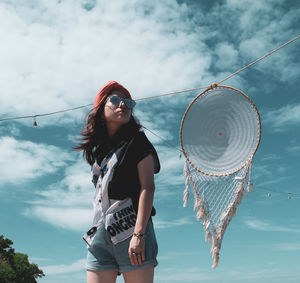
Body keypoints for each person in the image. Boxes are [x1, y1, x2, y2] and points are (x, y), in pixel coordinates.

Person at [75, 81, 160, 283]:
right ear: (101, 107)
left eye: (128, 102)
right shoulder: (99, 153)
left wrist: (139, 235)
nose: (122, 105)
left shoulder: (137, 141)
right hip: (101, 232)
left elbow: (148, 187)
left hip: (131, 228)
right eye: (115, 100)